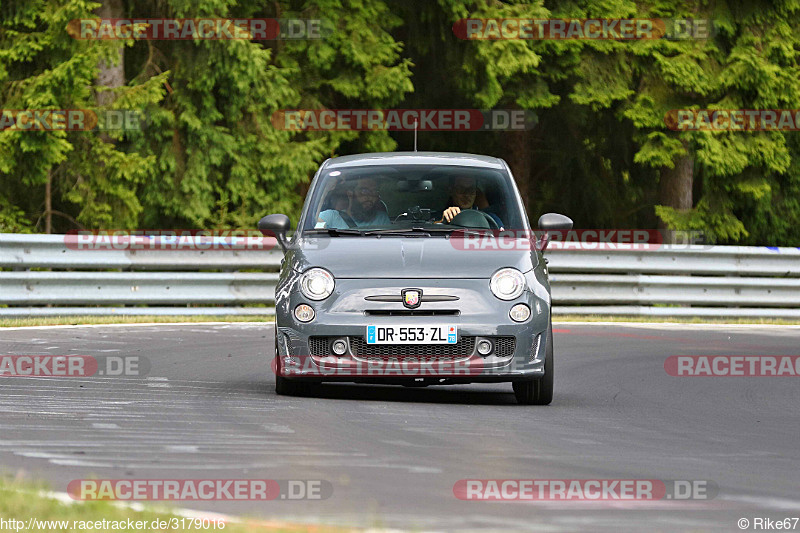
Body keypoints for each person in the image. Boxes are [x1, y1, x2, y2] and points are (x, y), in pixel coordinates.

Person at [317, 177, 390, 229]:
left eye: (374, 192)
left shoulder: (381, 218)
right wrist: (325, 190)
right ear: (350, 193)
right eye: (364, 191)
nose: (370, 197)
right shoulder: (331, 217)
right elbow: (313, 227)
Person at [437, 176, 503, 228]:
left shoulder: (490, 219)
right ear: (451, 191)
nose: (466, 194)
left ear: (476, 192)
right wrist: (443, 222)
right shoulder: (440, 216)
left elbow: (503, 237)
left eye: (471, 190)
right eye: (461, 189)